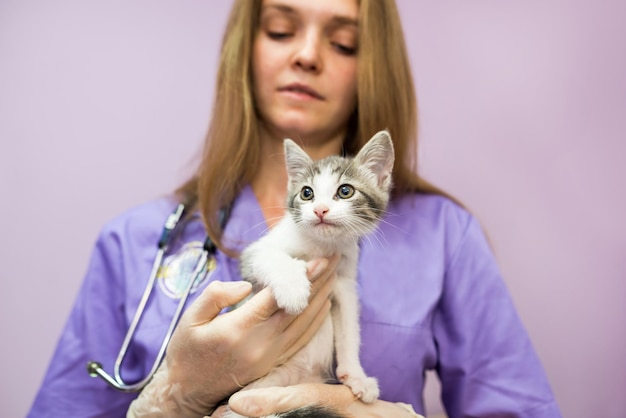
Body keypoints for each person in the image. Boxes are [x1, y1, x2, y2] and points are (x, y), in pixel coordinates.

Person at [28, 0, 562, 417]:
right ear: (245, 47)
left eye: (344, 41)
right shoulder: (134, 241)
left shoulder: (444, 237)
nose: (307, 55)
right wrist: (173, 402)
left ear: (374, 65)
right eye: (281, 29)